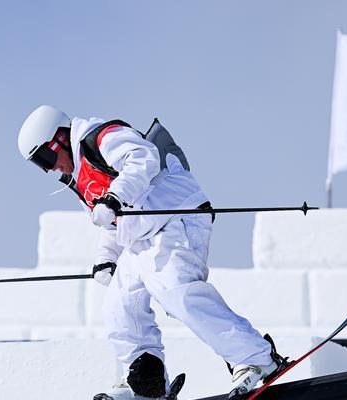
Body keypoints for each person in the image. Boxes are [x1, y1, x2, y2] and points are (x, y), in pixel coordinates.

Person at [17, 105, 289, 399]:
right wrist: (105, 258)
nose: (50, 169)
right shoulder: (81, 179)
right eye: (39, 165)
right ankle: (148, 384)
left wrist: (114, 196)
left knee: (176, 292)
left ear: (58, 139)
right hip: (142, 237)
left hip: (176, 218)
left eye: (45, 157)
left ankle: (256, 358)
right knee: (119, 308)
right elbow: (113, 225)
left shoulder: (99, 138)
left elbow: (142, 157)